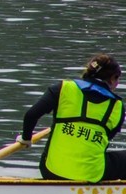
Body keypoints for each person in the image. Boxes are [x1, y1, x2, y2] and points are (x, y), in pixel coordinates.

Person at [20, 53, 126, 182]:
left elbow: (31, 115)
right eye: (118, 79)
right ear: (112, 78)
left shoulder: (63, 88)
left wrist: (26, 139)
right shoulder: (117, 106)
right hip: (91, 175)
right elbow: (105, 139)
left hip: (51, 171)